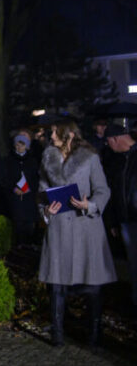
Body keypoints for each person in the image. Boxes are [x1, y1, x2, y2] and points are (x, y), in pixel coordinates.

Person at [38, 120, 116, 346]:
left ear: (69, 134)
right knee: (57, 284)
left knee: (91, 285)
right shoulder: (48, 158)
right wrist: (46, 209)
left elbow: (103, 189)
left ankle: (93, 335)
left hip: (86, 228)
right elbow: (42, 192)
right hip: (59, 227)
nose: (51, 136)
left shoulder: (90, 157)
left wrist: (89, 205)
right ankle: (58, 334)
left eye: (55, 132)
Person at [104, 123, 137, 311]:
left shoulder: (129, 158)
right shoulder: (120, 159)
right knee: (133, 264)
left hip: (132, 216)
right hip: (127, 218)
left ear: (115, 139)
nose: (108, 146)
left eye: (109, 142)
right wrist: (115, 220)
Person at [6, 132, 40, 246]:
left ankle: (29, 243)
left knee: (29, 222)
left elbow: (36, 178)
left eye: (22, 144)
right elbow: (6, 177)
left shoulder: (32, 161)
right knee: (17, 221)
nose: (20, 147)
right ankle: (18, 243)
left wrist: (29, 189)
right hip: (15, 196)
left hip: (29, 196)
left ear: (27, 146)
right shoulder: (9, 160)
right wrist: (13, 188)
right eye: (17, 144)